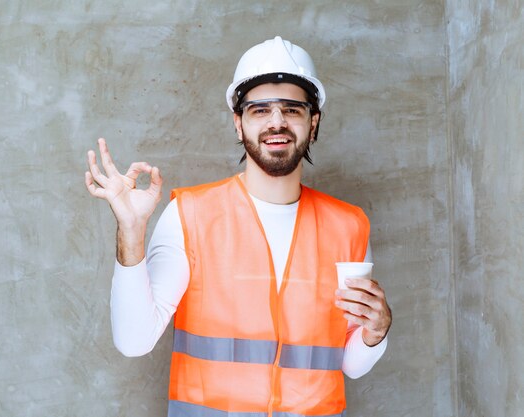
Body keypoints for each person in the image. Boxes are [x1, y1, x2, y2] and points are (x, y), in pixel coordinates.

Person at [85, 36, 392, 417]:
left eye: (292, 110)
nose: (276, 122)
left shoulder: (348, 227)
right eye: (260, 110)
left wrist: (375, 333)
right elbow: (133, 341)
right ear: (238, 123)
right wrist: (130, 232)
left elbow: (350, 363)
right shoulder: (190, 216)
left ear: (313, 124)